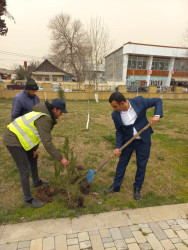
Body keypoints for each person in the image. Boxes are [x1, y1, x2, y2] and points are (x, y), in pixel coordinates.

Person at [3, 99, 70, 208]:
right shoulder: (45, 119)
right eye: (61, 111)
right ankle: (28, 200)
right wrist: (60, 158)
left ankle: (36, 182)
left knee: (33, 158)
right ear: (54, 109)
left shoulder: (45, 114)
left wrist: (34, 149)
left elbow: (35, 134)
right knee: (24, 169)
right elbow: (47, 143)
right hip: (14, 140)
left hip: (21, 139)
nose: (61, 114)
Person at [104, 92, 163, 200]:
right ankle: (116, 186)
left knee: (141, 164)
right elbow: (119, 131)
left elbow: (157, 101)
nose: (113, 109)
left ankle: (137, 188)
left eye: (115, 106)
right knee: (122, 163)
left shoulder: (139, 102)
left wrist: (156, 115)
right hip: (128, 141)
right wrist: (118, 147)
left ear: (122, 103)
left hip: (143, 140)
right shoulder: (115, 115)